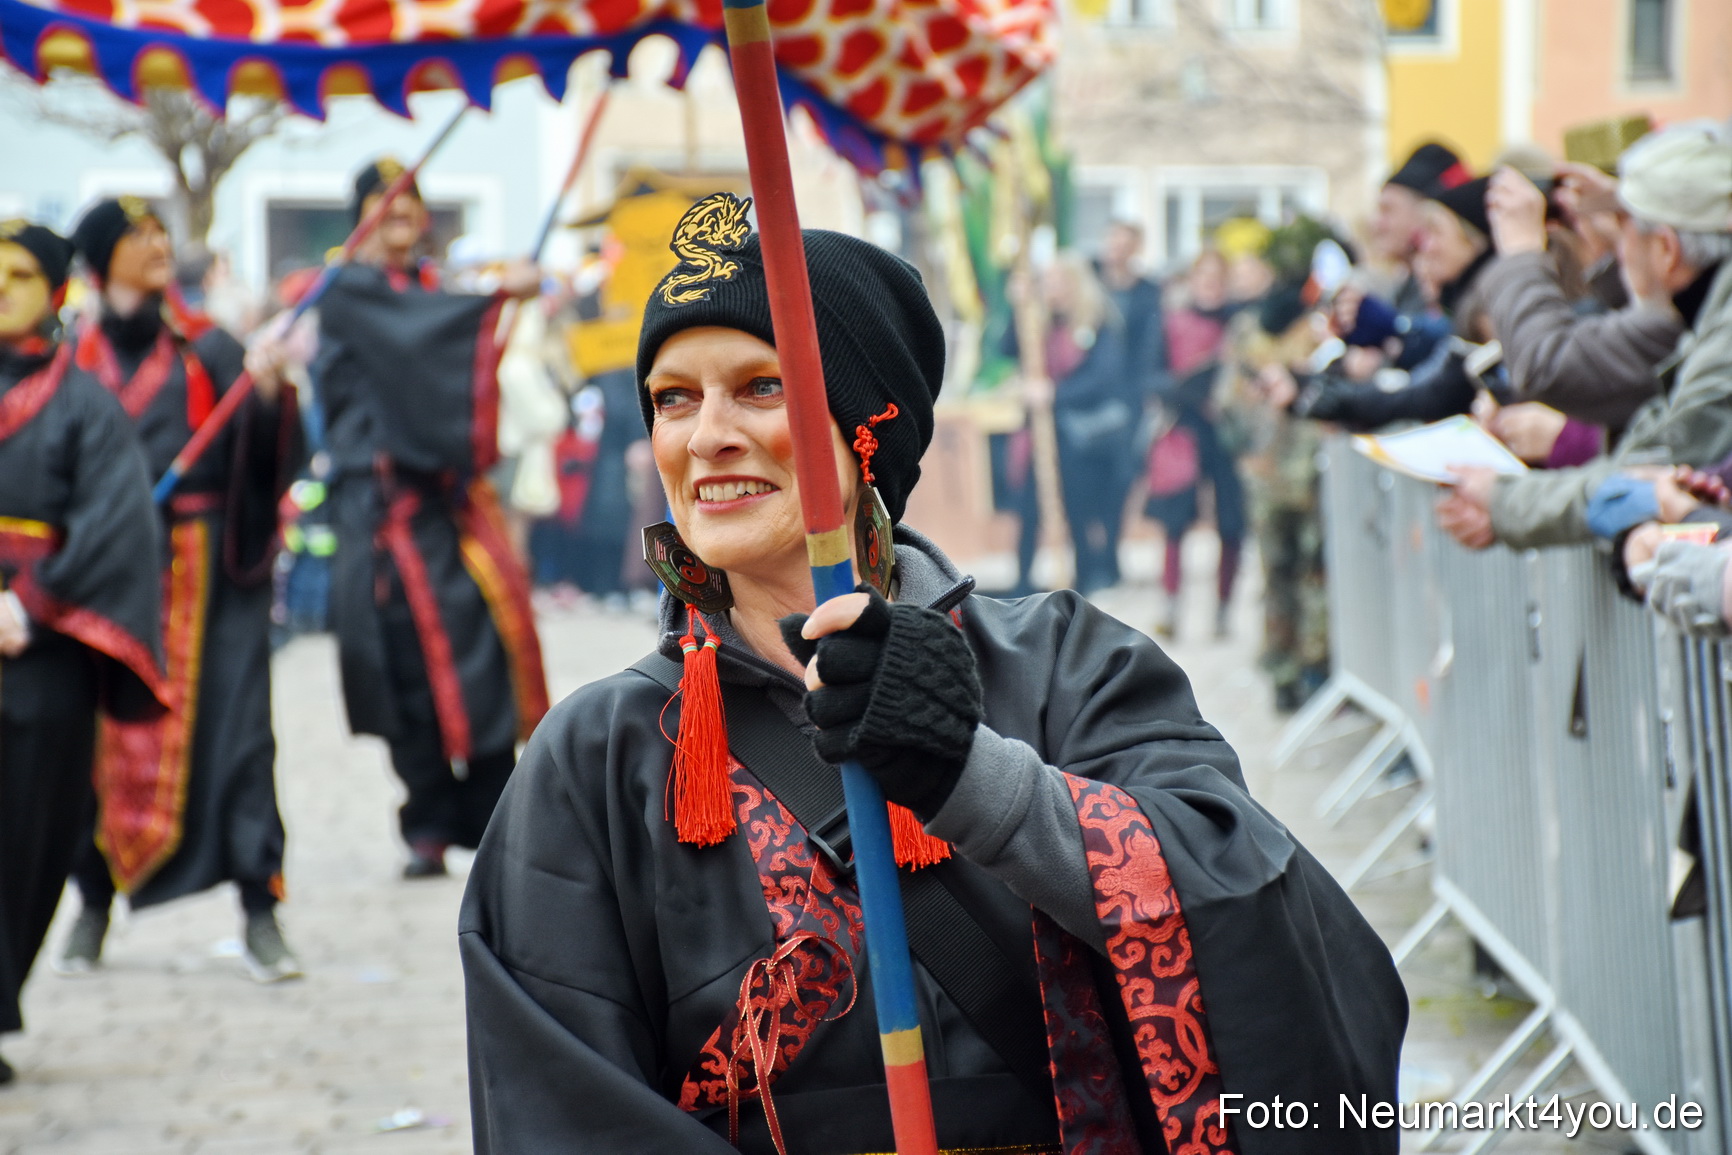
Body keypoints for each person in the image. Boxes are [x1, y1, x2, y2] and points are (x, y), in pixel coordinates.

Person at [460, 195, 1406, 1153]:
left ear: (871, 429)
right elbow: (559, 1105)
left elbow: (1253, 915)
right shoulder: (594, 755)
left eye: (761, 387)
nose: (706, 436)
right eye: (672, 397)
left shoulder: (1068, 661)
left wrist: (972, 779)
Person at [60, 198, 305, 981]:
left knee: (238, 739)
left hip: (209, 574)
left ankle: (260, 912)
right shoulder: (69, 359)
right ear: (102, 259)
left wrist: (268, 396)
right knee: (94, 742)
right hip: (104, 574)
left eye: (163, 233)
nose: (159, 246)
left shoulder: (213, 349)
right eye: (138, 236)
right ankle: (91, 904)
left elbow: (268, 453)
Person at [312, 159, 550, 877]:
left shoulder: (427, 293)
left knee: (481, 651)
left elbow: (444, 337)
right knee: (396, 664)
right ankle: (425, 818)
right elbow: (423, 333)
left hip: (444, 512)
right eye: (385, 206)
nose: (400, 216)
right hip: (377, 514)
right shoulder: (348, 291)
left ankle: (488, 811)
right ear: (361, 218)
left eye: (410, 203)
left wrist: (490, 302)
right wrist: (493, 296)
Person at [0, 220, 165, 1082]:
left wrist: (26, 605)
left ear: (57, 289)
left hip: (42, 648)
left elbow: (113, 524)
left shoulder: (84, 405)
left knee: (34, 826)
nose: (1, 285)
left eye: (19, 273)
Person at [1439, 122, 1732, 552]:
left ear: (1666, 250)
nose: (1618, 244)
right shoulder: (1704, 318)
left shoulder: (1718, 336)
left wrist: (1503, 501)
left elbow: (1653, 466)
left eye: (1625, 227)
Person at [1145, 249, 1247, 640]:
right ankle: (1170, 605)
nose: (1209, 285)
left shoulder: (1239, 324)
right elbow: (1151, 377)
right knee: (1176, 522)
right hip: (1183, 431)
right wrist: (1187, 391)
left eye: (1216, 277)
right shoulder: (1172, 323)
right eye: (1202, 277)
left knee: (1231, 522)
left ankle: (1224, 608)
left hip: (1226, 435)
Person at [1044, 252, 1136, 594]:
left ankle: (1107, 569)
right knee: (1076, 508)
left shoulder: (1099, 320)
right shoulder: (1046, 323)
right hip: (1066, 435)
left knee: (1106, 508)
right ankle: (1087, 574)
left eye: (1057, 281)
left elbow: (1104, 376)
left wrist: (1056, 393)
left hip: (1102, 432)